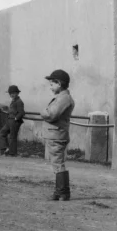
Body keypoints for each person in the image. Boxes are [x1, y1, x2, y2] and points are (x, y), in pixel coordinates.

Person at [42, 69, 75, 201]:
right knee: (57, 163)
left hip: (56, 135)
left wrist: (43, 111)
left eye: (52, 84)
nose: (50, 87)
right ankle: (60, 191)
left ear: (59, 84)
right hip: (55, 134)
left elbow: (51, 114)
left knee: (58, 163)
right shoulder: (63, 98)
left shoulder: (64, 98)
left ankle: (63, 192)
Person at [0, 85, 26, 157]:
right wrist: (3, 111)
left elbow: (21, 112)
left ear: (17, 93)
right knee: (1, 134)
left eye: (13, 93)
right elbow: (11, 111)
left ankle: (12, 153)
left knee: (12, 137)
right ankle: (5, 149)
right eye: (10, 93)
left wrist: (16, 118)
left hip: (15, 122)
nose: (12, 95)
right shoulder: (13, 101)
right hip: (9, 121)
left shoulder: (19, 102)